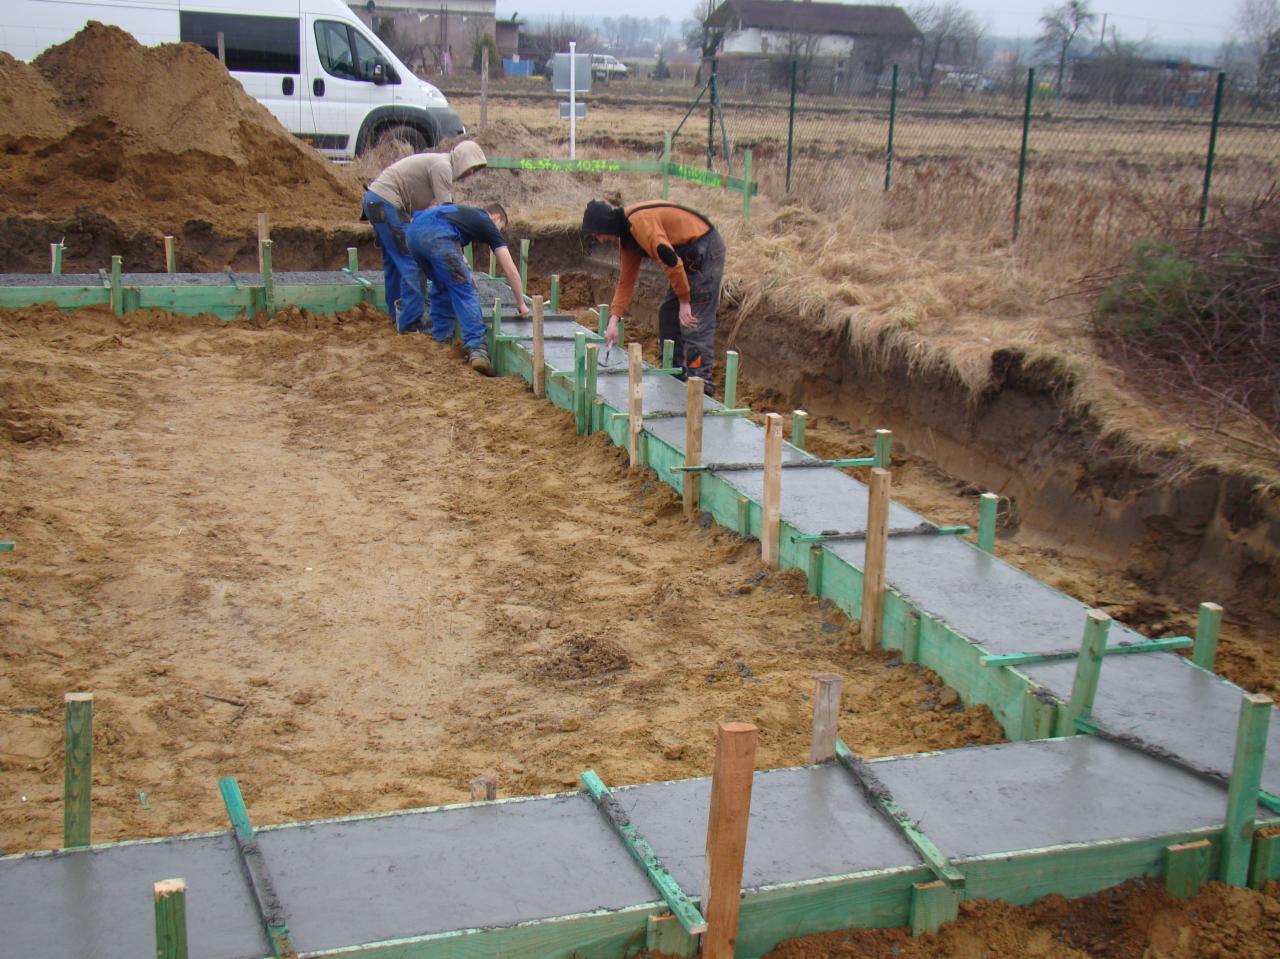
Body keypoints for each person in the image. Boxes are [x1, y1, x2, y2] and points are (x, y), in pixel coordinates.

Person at [580, 199, 725, 392]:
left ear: (605, 225)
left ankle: (701, 383)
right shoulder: (628, 239)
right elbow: (625, 282)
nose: (599, 239)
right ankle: (674, 372)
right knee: (668, 313)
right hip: (685, 260)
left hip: (704, 247)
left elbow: (671, 260)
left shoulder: (640, 225)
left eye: (597, 234)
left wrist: (684, 300)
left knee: (693, 320)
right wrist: (613, 322)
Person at [361, 141, 487, 334]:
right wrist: (457, 254)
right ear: (462, 160)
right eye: (472, 167)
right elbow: (448, 215)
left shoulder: (440, 165)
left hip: (376, 201)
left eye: (477, 170)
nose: (471, 173)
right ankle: (411, 323)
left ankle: (397, 316)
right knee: (412, 261)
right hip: (385, 203)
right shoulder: (443, 167)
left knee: (394, 263)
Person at [405, 202, 529, 376]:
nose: (497, 232)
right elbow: (511, 271)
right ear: (496, 217)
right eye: (500, 228)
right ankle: (477, 349)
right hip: (438, 237)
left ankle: (441, 339)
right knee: (465, 290)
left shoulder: (461, 212)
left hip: (412, 235)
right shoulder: (487, 222)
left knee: (442, 286)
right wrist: (521, 304)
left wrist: (458, 255)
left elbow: (436, 221)